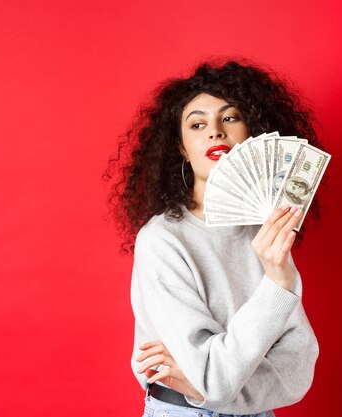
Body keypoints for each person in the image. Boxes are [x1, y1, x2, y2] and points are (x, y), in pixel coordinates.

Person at [105, 59, 323, 417]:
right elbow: (213, 379)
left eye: (230, 117)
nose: (215, 132)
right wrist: (277, 287)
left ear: (253, 134)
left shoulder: (266, 231)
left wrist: (215, 388)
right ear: (180, 148)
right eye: (197, 124)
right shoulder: (162, 240)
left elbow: (298, 366)